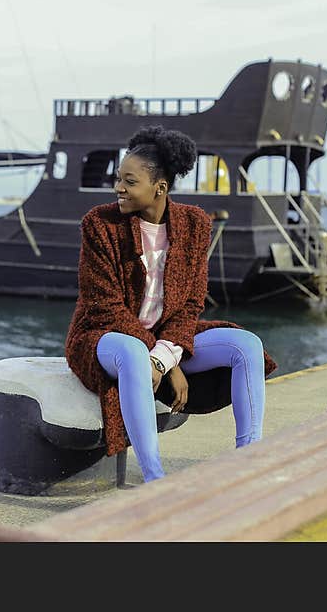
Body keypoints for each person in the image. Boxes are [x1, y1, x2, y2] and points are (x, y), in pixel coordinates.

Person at [64, 125, 278, 483]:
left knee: (247, 346)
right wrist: (168, 362)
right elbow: (105, 306)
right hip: (104, 336)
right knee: (133, 352)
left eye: (129, 181)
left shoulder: (194, 224)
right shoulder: (100, 224)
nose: (118, 187)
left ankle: (248, 462)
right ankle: (154, 479)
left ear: (159, 188)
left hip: (166, 338)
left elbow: (192, 301)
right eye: (119, 179)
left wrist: (165, 357)